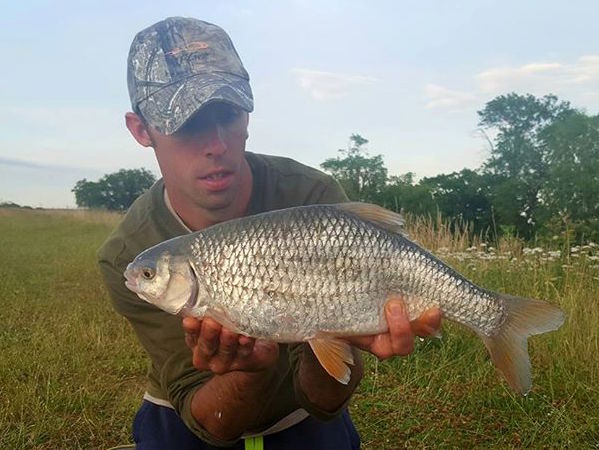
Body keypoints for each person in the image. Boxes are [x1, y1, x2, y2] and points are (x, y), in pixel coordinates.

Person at [98, 16, 441, 450]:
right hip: (189, 414)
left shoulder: (312, 196)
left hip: (300, 413)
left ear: (247, 113)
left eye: (228, 114)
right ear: (141, 129)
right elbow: (211, 423)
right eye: (185, 122)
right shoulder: (131, 253)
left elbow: (324, 399)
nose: (217, 144)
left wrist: (340, 334)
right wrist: (250, 370)